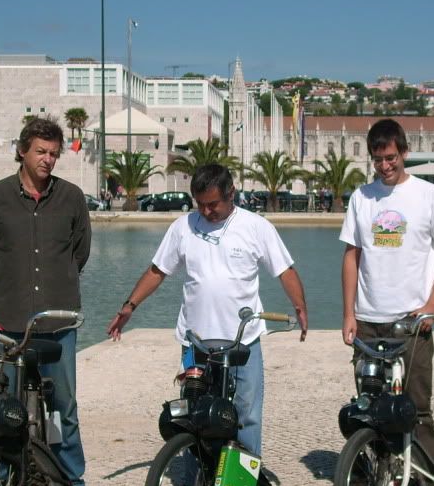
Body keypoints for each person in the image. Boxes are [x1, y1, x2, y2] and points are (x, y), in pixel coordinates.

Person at [106, 163, 308, 458]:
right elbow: (156, 271)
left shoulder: (256, 227)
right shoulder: (183, 227)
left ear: (231, 194)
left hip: (243, 341)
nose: (206, 211)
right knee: (194, 412)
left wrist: (300, 308)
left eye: (213, 204)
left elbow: (284, 270)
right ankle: (194, 485)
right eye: (200, 204)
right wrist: (130, 306)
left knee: (246, 414)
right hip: (196, 342)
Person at [0, 117, 98, 486]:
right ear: (23, 151)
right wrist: (10, 289)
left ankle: (72, 484)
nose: (48, 160)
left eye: (54, 154)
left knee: (64, 406)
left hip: (58, 323)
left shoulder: (72, 198)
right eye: (41, 152)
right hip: (7, 322)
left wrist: (56, 284)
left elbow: (80, 253)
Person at [340, 118, 434, 461]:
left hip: (412, 321)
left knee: (417, 407)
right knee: (369, 407)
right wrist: (348, 313)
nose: (385, 166)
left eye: (391, 157)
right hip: (367, 318)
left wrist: (432, 305)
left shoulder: (428, 195)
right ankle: (374, 481)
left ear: (404, 152)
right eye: (378, 160)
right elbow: (352, 256)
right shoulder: (361, 197)